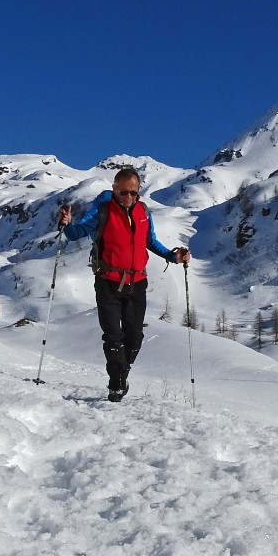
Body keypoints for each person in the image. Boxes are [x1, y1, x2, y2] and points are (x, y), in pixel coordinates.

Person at [57, 166, 190, 401]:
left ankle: (122, 374)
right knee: (113, 336)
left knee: (134, 336)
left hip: (137, 282)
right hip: (108, 281)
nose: (129, 197)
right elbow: (77, 233)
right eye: (124, 192)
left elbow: (151, 241)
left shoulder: (143, 212)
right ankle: (116, 384)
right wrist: (67, 225)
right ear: (114, 189)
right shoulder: (103, 210)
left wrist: (173, 256)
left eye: (134, 193)